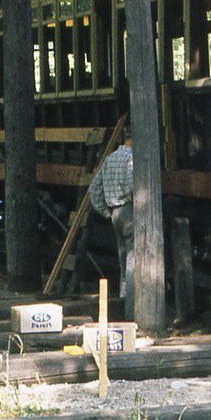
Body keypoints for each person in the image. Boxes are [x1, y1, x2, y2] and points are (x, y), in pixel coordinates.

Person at [88, 133, 135, 315]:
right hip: (129, 211)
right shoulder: (131, 158)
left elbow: (94, 190)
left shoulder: (110, 159)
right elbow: (132, 187)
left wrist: (107, 213)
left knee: (123, 259)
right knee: (134, 259)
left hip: (115, 213)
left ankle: (123, 300)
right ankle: (132, 310)